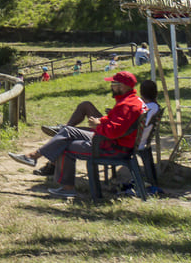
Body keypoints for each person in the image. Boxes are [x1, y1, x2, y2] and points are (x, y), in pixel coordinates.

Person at [9, 71, 146, 197]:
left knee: (65, 146)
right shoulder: (132, 100)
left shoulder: (126, 105)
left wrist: (99, 126)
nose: (111, 86)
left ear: (122, 86)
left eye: (113, 84)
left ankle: (67, 187)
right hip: (116, 143)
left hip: (112, 148)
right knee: (68, 131)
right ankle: (35, 155)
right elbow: (115, 121)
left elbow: (115, 131)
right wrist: (101, 120)